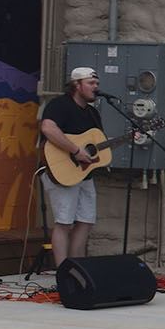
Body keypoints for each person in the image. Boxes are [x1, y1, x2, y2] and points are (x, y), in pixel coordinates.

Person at [38, 67, 105, 262]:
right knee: (64, 223)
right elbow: (48, 128)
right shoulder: (60, 105)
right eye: (91, 83)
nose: (96, 87)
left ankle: (78, 267)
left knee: (85, 221)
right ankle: (63, 271)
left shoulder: (92, 113)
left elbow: (96, 144)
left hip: (85, 175)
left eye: (97, 84)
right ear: (77, 84)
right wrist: (76, 151)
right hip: (61, 172)